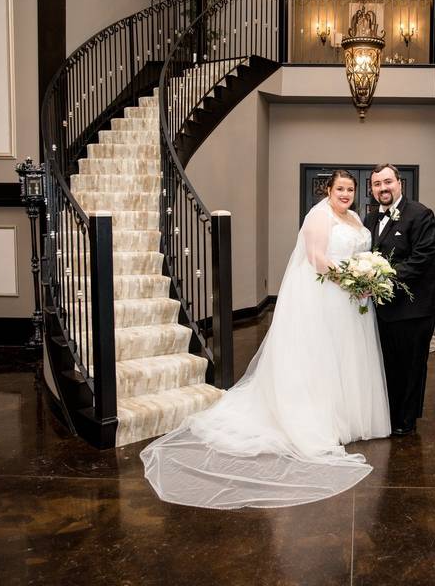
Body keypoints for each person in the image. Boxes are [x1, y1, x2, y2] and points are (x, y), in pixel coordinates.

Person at [141, 170, 390, 509]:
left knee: (348, 357)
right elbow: (317, 260)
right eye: (340, 189)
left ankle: (347, 417)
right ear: (328, 190)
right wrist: (351, 279)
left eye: (350, 189)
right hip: (327, 296)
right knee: (322, 358)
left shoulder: (357, 217)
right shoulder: (319, 215)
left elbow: (360, 253)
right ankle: (320, 419)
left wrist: (365, 278)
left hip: (352, 301)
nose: (345, 194)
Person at [364, 164, 435, 435]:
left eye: (388, 182)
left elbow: (422, 257)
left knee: (411, 364)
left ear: (400, 183)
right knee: (389, 361)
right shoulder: (370, 219)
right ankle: (390, 413)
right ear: (372, 189)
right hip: (385, 307)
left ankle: (406, 421)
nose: (383, 188)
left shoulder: (421, 214)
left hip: (416, 306)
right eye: (377, 184)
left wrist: (382, 279)